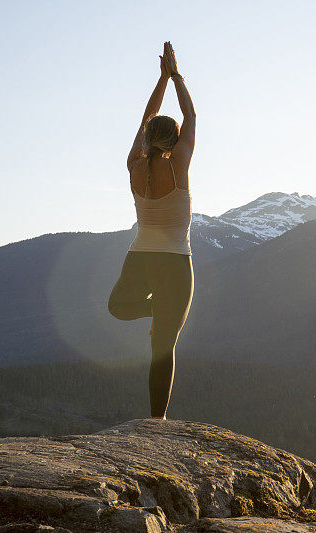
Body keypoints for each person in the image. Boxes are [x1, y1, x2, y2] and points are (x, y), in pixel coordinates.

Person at [108, 41, 196, 421]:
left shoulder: (133, 166)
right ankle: (156, 422)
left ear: (146, 139)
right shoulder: (179, 163)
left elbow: (148, 116)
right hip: (176, 264)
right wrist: (176, 76)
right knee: (164, 347)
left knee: (117, 306)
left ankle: (152, 311)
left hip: (140, 258)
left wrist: (159, 80)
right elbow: (190, 114)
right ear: (174, 142)